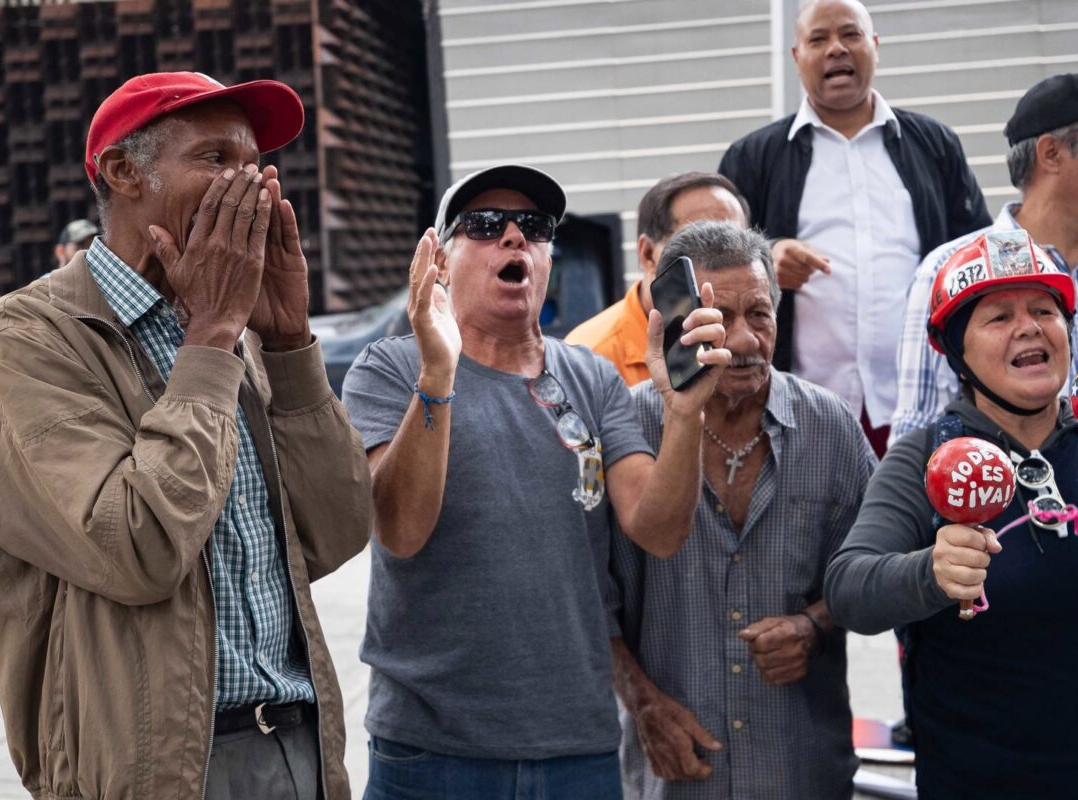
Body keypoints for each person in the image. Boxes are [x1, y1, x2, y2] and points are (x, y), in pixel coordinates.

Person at [0, 71, 372, 800]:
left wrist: (290, 345)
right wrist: (212, 334)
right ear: (122, 172)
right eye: (215, 161)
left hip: (296, 744)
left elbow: (334, 533)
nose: (249, 189)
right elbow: (135, 546)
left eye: (254, 167)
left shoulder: (228, 331)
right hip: (154, 771)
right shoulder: (30, 337)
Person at [341, 164, 731, 800]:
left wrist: (685, 414)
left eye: (535, 228)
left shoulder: (593, 378)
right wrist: (439, 372)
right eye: (487, 226)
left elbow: (658, 531)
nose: (515, 239)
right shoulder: (390, 368)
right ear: (438, 260)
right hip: (433, 748)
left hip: (576, 746)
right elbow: (401, 530)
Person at [824, 232, 1078, 799]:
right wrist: (929, 573)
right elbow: (848, 589)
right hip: (978, 783)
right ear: (956, 350)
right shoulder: (925, 457)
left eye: (1043, 310)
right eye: (999, 316)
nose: (1030, 326)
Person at [609, 221, 876, 800]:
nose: (746, 338)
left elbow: (876, 571)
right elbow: (584, 599)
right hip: (671, 776)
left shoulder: (829, 428)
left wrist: (813, 624)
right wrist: (642, 703)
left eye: (759, 313)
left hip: (798, 769)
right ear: (676, 323)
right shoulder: (625, 425)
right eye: (719, 316)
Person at [717, 0, 990, 456]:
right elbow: (715, 263)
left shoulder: (933, 144)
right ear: (796, 56)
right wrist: (766, 258)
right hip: (796, 405)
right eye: (818, 39)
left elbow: (975, 256)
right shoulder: (753, 157)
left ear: (876, 47)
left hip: (919, 400)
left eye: (851, 35)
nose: (836, 49)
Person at [892, 70, 1078, 443]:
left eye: (1042, 310)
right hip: (998, 501)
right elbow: (918, 432)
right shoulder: (948, 271)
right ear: (1051, 153)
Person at [566, 172, 749, 385]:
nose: (724, 263)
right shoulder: (588, 359)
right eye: (699, 244)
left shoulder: (754, 336)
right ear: (648, 254)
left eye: (738, 246)